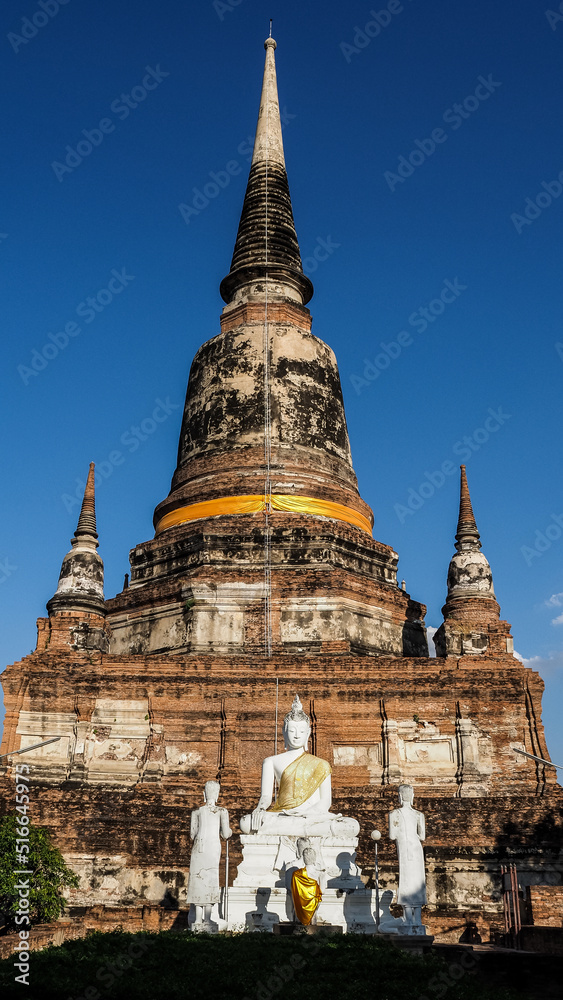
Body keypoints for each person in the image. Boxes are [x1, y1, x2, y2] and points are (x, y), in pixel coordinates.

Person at [239, 695, 359, 838]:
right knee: (247, 822)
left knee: (350, 826)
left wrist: (307, 814)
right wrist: (260, 808)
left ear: (308, 733)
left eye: (301, 731)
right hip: (283, 816)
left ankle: (299, 829)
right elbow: (265, 796)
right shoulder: (271, 761)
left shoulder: (321, 764)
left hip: (313, 817)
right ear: (284, 732)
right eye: (292, 731)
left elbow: (326, 802)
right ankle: (302, 830)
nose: (296, 736)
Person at [187, 780, 232, 925]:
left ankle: (198, 919)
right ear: (217, 795)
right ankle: (207, 919)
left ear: (204, 794)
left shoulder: (196, 812)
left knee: (199, 880)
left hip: (199, 847)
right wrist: (229, 831)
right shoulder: (222, 812)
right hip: (213, 847)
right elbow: (226, 834)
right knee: (210, 880)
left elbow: (192, 834)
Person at [388, 784, 427, 931]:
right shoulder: (419, 815)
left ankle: (408, 919)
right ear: (412, 796)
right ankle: (417, 919)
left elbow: (392, 835)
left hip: (405, 848)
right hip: (416, 848)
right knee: (417, 882)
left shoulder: (394, 814)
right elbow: (422, 836)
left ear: (399, 796)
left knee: (407, 881)